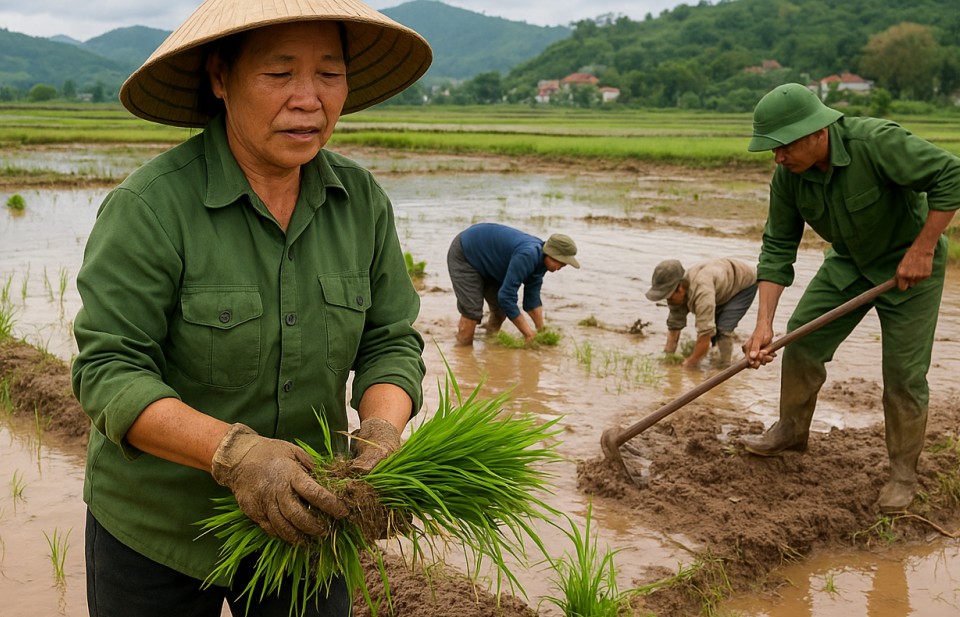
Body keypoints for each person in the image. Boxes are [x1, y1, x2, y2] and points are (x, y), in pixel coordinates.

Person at [70, 1, 431, 615]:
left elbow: (389, 341)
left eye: (329, 73)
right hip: (159, 531)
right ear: (220, 78)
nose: (309, 99)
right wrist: (235, 453)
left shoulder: (361, 201)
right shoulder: (150, 207)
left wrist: (381, 433)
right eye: (279, 73)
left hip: (305, 520)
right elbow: (110, 372)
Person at [740, 83, 960, 513]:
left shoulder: (875, 143)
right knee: (801, 341)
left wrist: (923, 248)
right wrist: (763, 322)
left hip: (908, 269)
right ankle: (791, 430)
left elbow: (951, 173)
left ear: (815, 133)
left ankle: (902, 475)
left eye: (783, 147)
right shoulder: (789, 177)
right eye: (773, 150)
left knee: (903, 375)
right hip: (849, 264)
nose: (778, 158)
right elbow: (778, 245)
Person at [447, 222, 579, 346]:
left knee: (500, 311)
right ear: (550, 254)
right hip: (466, 254)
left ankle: (489, 344)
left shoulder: (541, 263)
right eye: (561, 262)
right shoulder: (527, 255)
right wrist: (528, 333)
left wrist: (541, 331)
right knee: (472, 312)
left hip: (490, 263)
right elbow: (506, 297)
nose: (562, 266)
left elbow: (531, 300)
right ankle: (463, 352)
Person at [645, 258, 757, 367]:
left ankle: (723, 366)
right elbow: (674, 325)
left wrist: (690, 363)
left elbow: (705, 333)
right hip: (721, 282)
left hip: (744, 284)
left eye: (669, 296)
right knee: (714, 325)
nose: (668, 300)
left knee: (723, 328)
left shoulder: (702, 291)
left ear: (680, 288)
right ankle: (714, 356)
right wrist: (668, 356)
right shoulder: (677, 294)